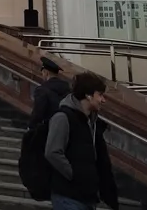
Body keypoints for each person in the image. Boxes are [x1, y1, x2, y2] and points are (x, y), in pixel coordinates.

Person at [44, 70, 119, 210]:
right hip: (68, 197)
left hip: (87, 196)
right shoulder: (63, 117)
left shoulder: (90, 121)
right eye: (100, 95)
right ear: (89, 96)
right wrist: (74, 174)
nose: (103, 100)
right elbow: (52, 152)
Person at [30, 57, 71, 127]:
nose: (42, 76)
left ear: (46, 73)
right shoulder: (68, 89)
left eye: (42, 73)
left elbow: (38, 113)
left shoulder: (42, 90)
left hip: (48, 129)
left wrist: (31, 126)